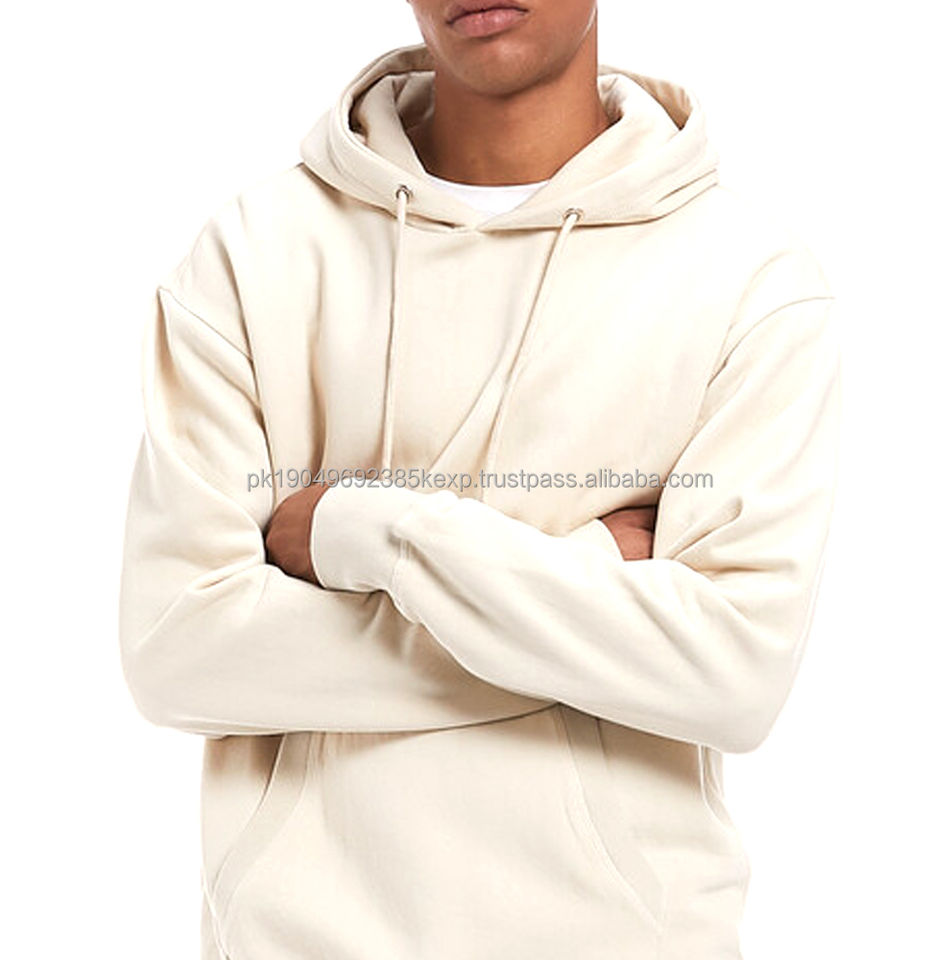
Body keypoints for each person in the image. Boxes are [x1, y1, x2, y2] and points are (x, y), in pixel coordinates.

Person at [117, 1, 842, 957]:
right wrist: (589, 588)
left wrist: (364, 533)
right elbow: (178, 652)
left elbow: (734, 675)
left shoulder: (749, 280)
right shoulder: (254, 254)